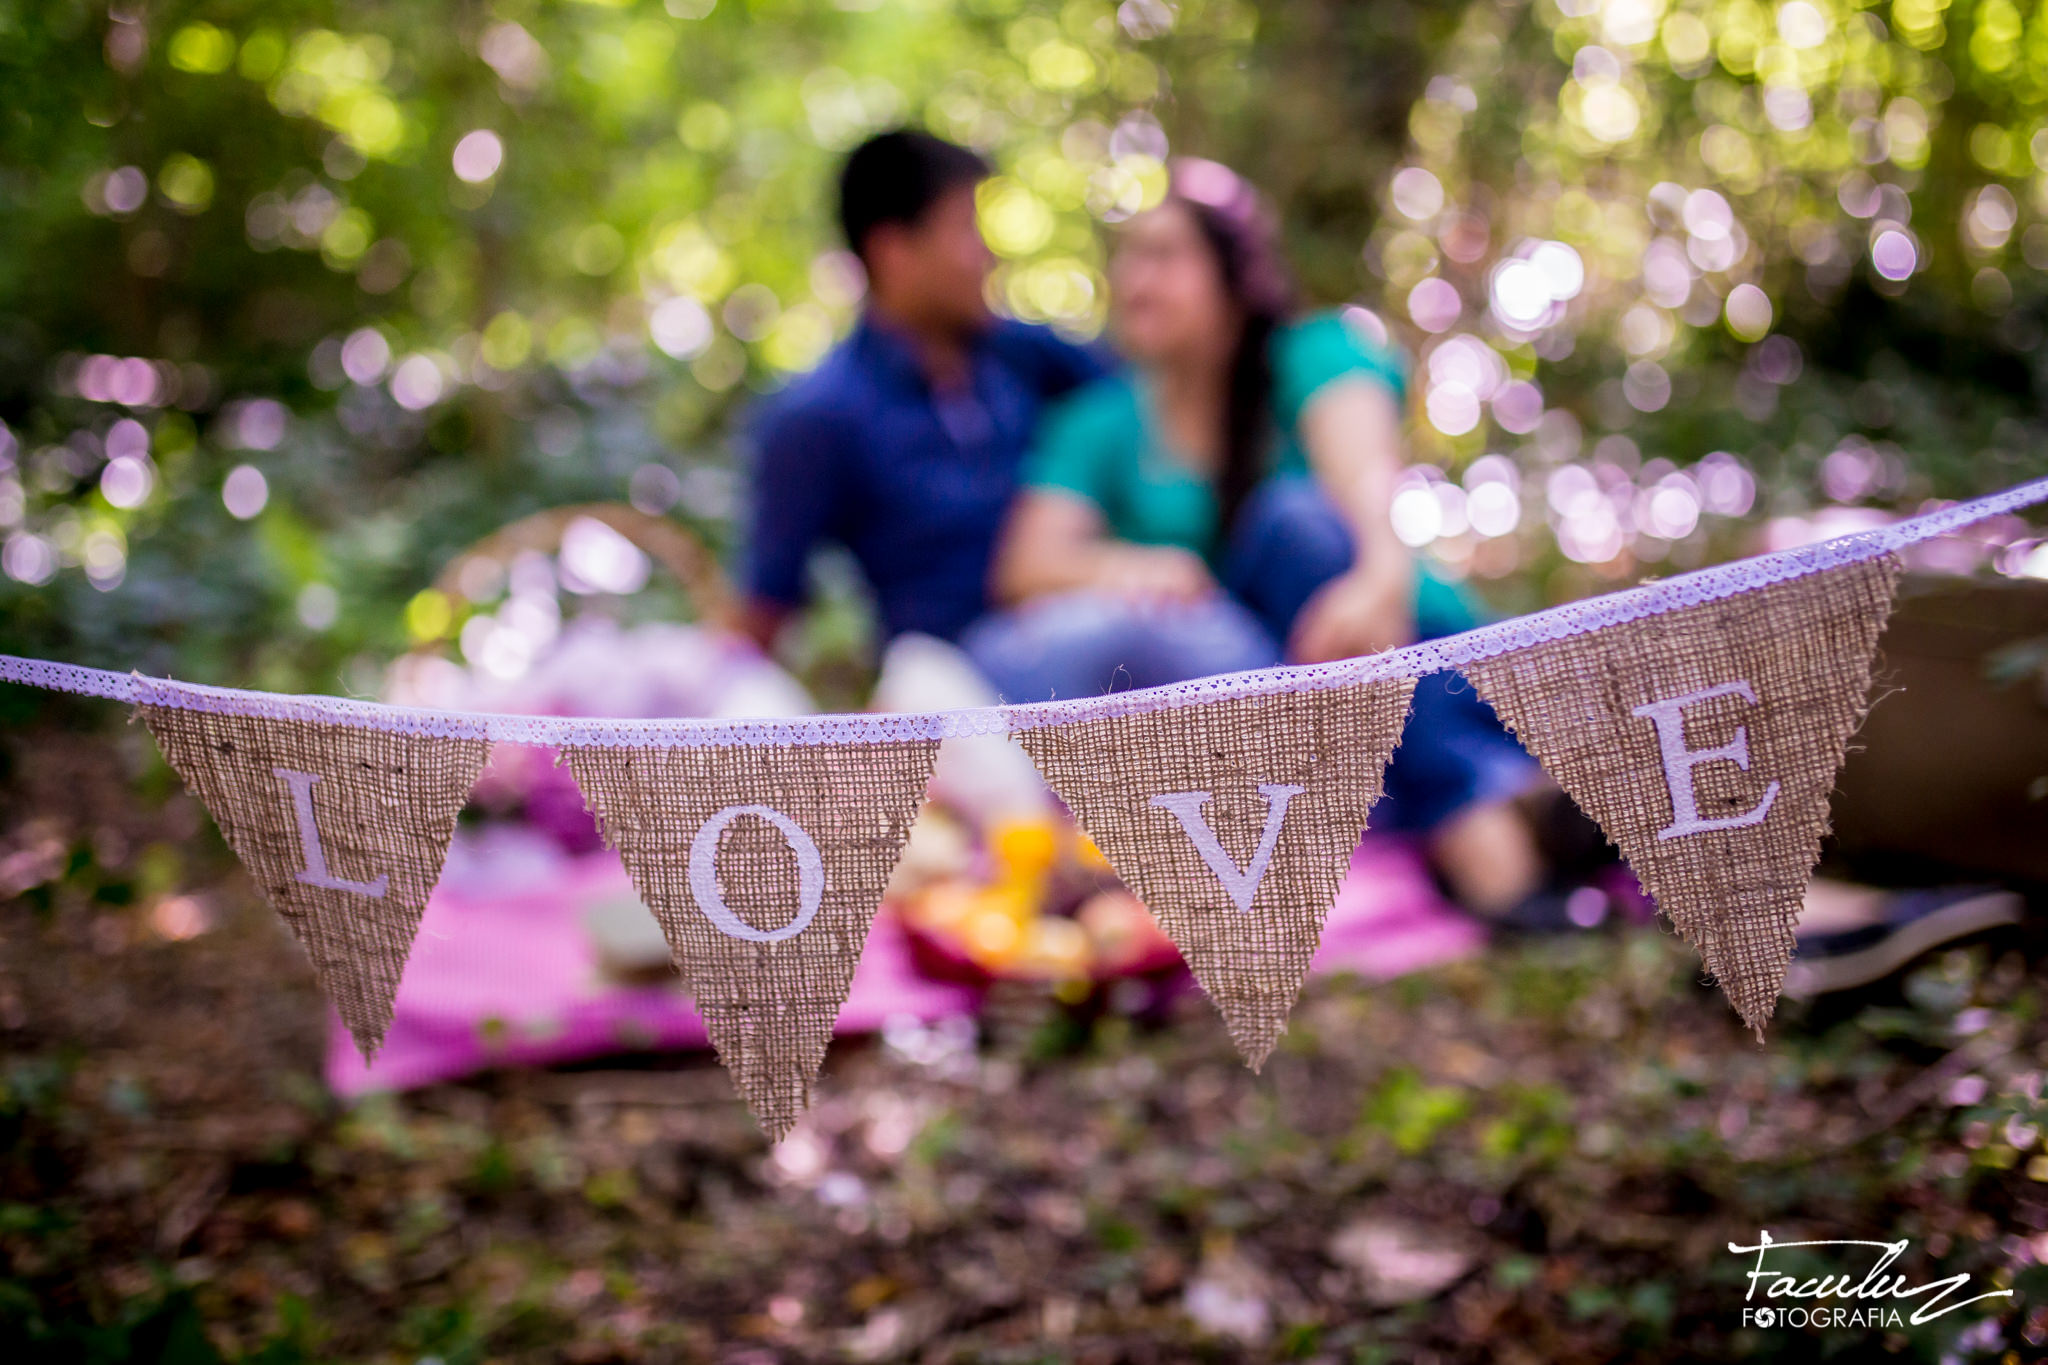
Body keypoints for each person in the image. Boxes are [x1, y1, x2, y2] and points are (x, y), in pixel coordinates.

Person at [965, 157, 1563, 922]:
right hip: (1285, 680)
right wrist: (1132, 563)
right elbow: (1025, 568)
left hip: (1413, 642)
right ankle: (1509, 807)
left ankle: (1481, 831)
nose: (1135, 276)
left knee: (1295, 527)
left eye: (1164, 254)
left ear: (1233, 275)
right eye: (1129, 253)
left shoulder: (1313, 354)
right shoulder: (1099, 422)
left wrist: (1379, 578)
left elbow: (1366, 484)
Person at [738, 129, 1106, 651]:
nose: (988, 255)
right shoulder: (821, 415)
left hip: (1093, 628)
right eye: (966, 230)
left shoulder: (1029, 356)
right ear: (893, 252)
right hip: (954, 682)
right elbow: (762, 611)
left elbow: (1144, 411)